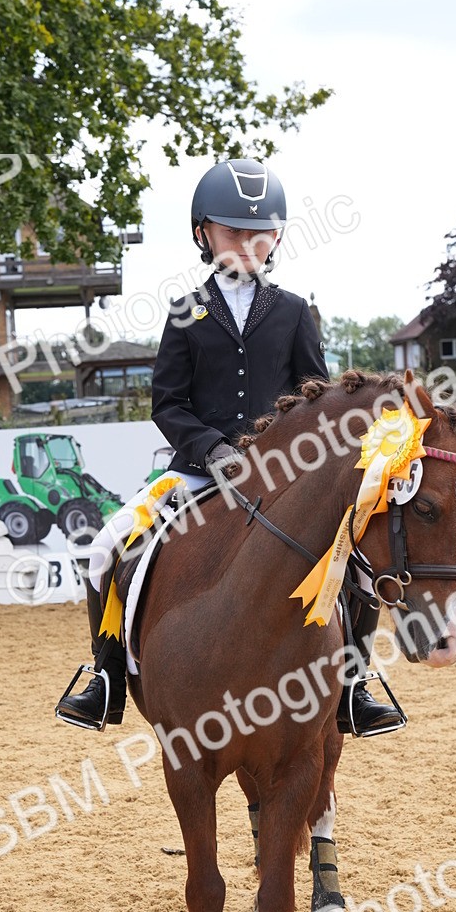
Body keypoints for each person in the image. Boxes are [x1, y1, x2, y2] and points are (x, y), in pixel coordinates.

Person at [56, 158, 401, 736]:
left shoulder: (293, 312)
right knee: (108, 546)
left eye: (259, 233)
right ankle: (108, 676)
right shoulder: (183, 312)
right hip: (199, 472)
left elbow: (313, 396)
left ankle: (353, 684)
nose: (247, 243)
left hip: (284, 473)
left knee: (355, 559)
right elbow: (167, 403)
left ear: (278, 238)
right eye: (232, 232)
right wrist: (213, 449)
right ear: (203, 234)